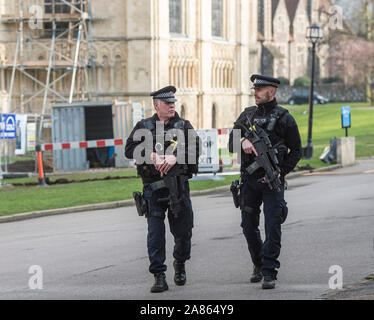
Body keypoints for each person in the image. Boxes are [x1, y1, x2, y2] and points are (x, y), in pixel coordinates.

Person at [125, 86, 201, 293]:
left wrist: (175, 157)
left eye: (173, 103)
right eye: (168, 103)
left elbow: (196, 147)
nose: (172, 106)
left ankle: (180, 263)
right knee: (155, 235)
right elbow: (129, 149)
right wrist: (151, 155)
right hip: (154, 189)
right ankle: (159, 275)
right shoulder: (144, 126)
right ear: (156, 105)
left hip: (178, 189)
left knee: (183, 233)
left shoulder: (183, 125)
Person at [229, 74, 302, 289]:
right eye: (254, 89)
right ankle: (258, 263)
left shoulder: (284, 117)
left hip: (272, 182)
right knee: (248, 226)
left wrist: (282, 172)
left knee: (273, 225)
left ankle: (270, 270)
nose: (255, 93)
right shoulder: (247, 116)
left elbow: (296, 151)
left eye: (259, 89)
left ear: (272, 91)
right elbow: (230, 142)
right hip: (250, 181)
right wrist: (242, 141)